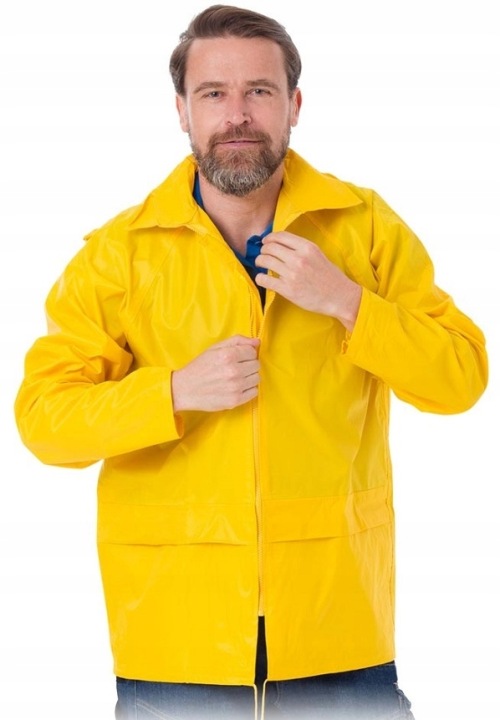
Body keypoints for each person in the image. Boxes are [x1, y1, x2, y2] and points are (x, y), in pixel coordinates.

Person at [14, 4, 488, 719]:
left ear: (294, 105)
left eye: (259, 91)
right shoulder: (120, 256)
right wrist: (173, 392)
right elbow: (44, 420)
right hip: (174, 640)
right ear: (182, 110)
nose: (237, 114)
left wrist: (348, 302)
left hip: (338, 630)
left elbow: (461, 377)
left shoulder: (364, 230)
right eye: (214, 93)